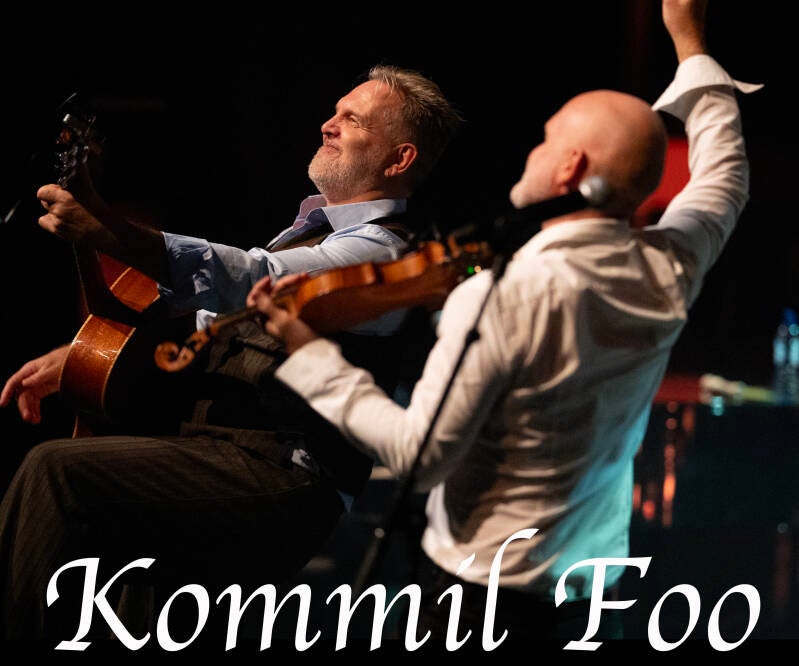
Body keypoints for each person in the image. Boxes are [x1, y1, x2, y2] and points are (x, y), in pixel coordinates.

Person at [247, 0, 760, 649]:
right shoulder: (671, 265)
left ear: (571, 168)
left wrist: (307, 352)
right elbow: (726, 172)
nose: (532, 152)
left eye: (545, 140)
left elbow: (418, 454)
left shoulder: (501, 295)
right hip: (594, 596)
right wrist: (689, 41)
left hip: (481, 604)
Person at [0, 64, 462, 643]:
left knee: (56, 473)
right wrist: (80, 353)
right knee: (127, 593)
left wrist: (114, 232)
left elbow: (256, 276)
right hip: (220, 453)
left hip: (284, 475)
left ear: (399, 159)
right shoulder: (313, 233)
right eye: (334, 111)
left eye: (353, 119)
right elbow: (212, 324)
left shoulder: (384, 255)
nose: (328, 125)